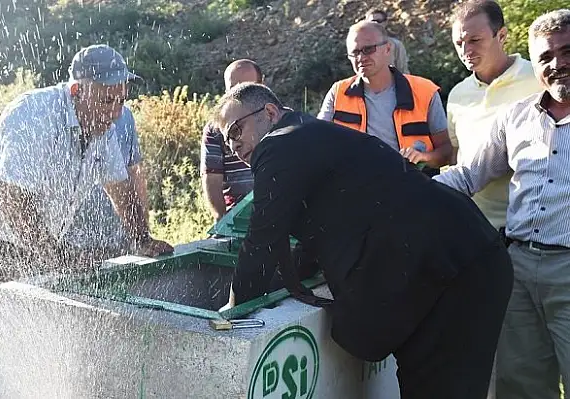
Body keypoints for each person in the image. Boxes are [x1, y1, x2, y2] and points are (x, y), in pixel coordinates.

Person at [216, 82, 513, 399]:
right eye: (225, 141)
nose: (233, 145)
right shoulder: (308, 133)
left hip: (451, 270)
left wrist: (233, 310)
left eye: (236, 131)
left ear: (271, 112)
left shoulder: (277, 144)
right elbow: (323, 229)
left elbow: (263, 235)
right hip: (463, 259)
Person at [0, 44, 173, 399]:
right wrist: (55, 256)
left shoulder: (102, 126)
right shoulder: (33, 115)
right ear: (78, 91)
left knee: (20, 354)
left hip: (29, 244)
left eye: (121, 101)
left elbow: (118, 187)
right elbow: (13, 200)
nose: (115, 112)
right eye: (107, 101)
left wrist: (141, 238)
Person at [434, 9, 570, 399]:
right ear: (535, 62)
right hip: (518, 267)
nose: (557, 64)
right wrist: (399, 191)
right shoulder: (517, 117)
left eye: (567, 51)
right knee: (519, 383)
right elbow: (465, 175)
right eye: (546, 57)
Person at [447, 0, 543, 231]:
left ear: (501, 35)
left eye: (475, 40)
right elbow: (456, 156)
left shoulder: (540, 80)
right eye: (459, 43)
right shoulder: (457, 95)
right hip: (472, 227)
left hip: (530, 231)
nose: (466, 51)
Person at [317, 21, 452, 175]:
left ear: (388, 49)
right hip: (355, 188)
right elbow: (318, 141)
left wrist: (423, 157)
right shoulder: (338, 92)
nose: (361, 57)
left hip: (414, 187)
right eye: (355, 52)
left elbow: (447, 151)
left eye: (368, 49)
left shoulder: (424, 91)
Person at [200, 59, 262, 221]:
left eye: (248, 88)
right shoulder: (215, 129)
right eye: (234, 89)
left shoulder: (277, 119)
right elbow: (212, 179)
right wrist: (223, 220)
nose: (240, 95)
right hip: (237, 215)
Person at [365, 8, 410, 74]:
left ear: (385, 23)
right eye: (372, 21)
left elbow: (403, 71)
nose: (376, 24)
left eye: (379, 21)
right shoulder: (361, 45)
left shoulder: (396, 45)